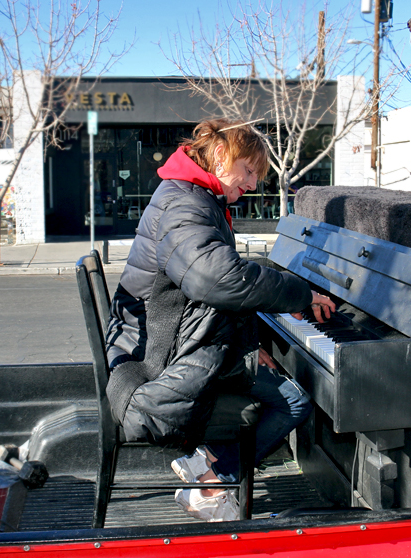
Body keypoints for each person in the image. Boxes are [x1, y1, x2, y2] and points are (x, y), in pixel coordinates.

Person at [104, 118, 335, 522]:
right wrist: (299, 294)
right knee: (295, 401)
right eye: (249, 170)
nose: (253, 184)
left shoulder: (191, 195)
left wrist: (250, 345)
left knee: (272, 376)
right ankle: (213, 483)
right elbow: (217, 279)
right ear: (221, 155)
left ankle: (205, 461)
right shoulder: (186, 203)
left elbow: (216, 283)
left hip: (166, 342)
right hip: (158, 364)